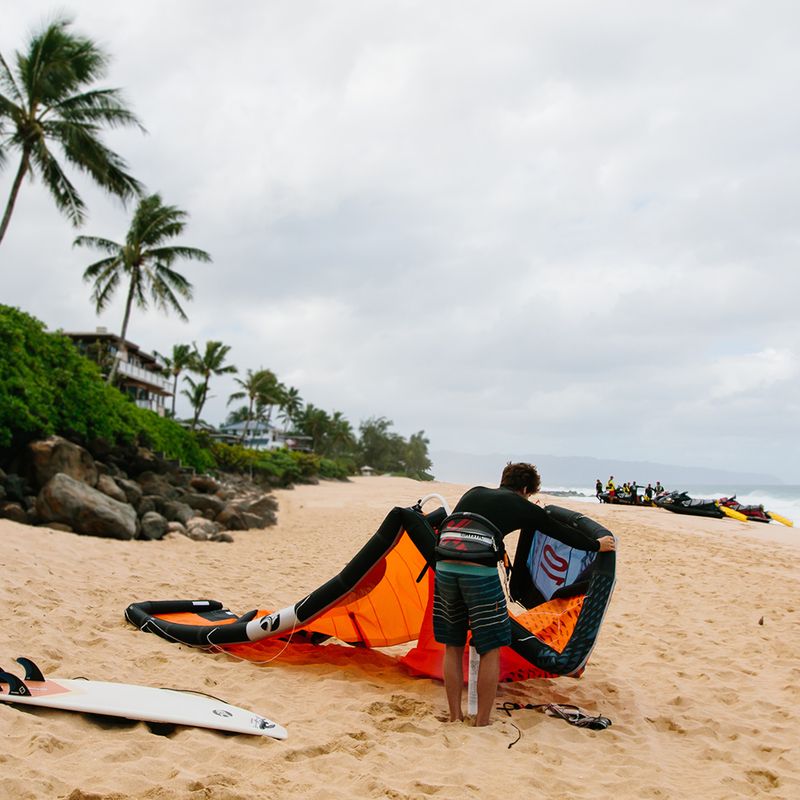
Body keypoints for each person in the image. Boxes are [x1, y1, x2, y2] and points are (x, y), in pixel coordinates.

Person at [432, 462, 616, 727]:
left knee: (453, 644)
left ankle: (454, 716)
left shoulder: (474, 492)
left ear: (503, 480)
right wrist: (596, 545)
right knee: (490, 648)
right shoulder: (521, 504)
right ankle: (482, 721)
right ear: (527, 489)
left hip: (445, 566)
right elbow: (560, 532)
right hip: (478, 572)